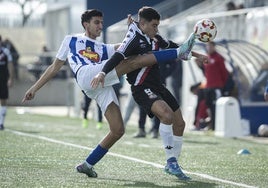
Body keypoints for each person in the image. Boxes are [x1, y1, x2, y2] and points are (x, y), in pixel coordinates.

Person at [22, 9, 204, 179]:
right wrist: (34, 88)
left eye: (101, 23)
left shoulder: (103, 47)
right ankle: (179, 53)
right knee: (133, 62)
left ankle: (87, 164)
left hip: (100, 84)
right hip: (87, 75)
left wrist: (134, 31)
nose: (100, 26)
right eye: (96, 23)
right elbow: (55, 67)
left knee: (118, 130)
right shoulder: (71, 40)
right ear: (86, 24)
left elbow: (126, 46)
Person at [91, 7, 207, 180]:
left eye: (157, 26)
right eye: (154, 25)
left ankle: (173, 163)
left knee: (180, 124)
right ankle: (171, 162)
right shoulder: (134, 39)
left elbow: (175, 47)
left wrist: (197, 54)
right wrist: (102, 73)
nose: (156, 29)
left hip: (158, 86)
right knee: (166, 115)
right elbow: (117, 56)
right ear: (143, 23)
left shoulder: (155, 38)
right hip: (141, 87)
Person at [196, 41, 229, 130]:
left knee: (216, 106)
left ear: (214, 47)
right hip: (208, 87)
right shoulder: (207, 58)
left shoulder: (218, 58)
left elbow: (224, 73)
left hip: (217, 87)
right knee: (209, 106)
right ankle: (211, 125)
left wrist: (222, 86)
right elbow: (206, 72)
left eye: (210, 46)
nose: (209, 48)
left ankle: (216, 126)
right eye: (207, 47)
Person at [0, 35, 14, 130]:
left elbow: (10, 65)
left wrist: (11, 78)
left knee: (3, 100)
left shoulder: (5, 52)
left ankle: (1, 123)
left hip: (3, 79)